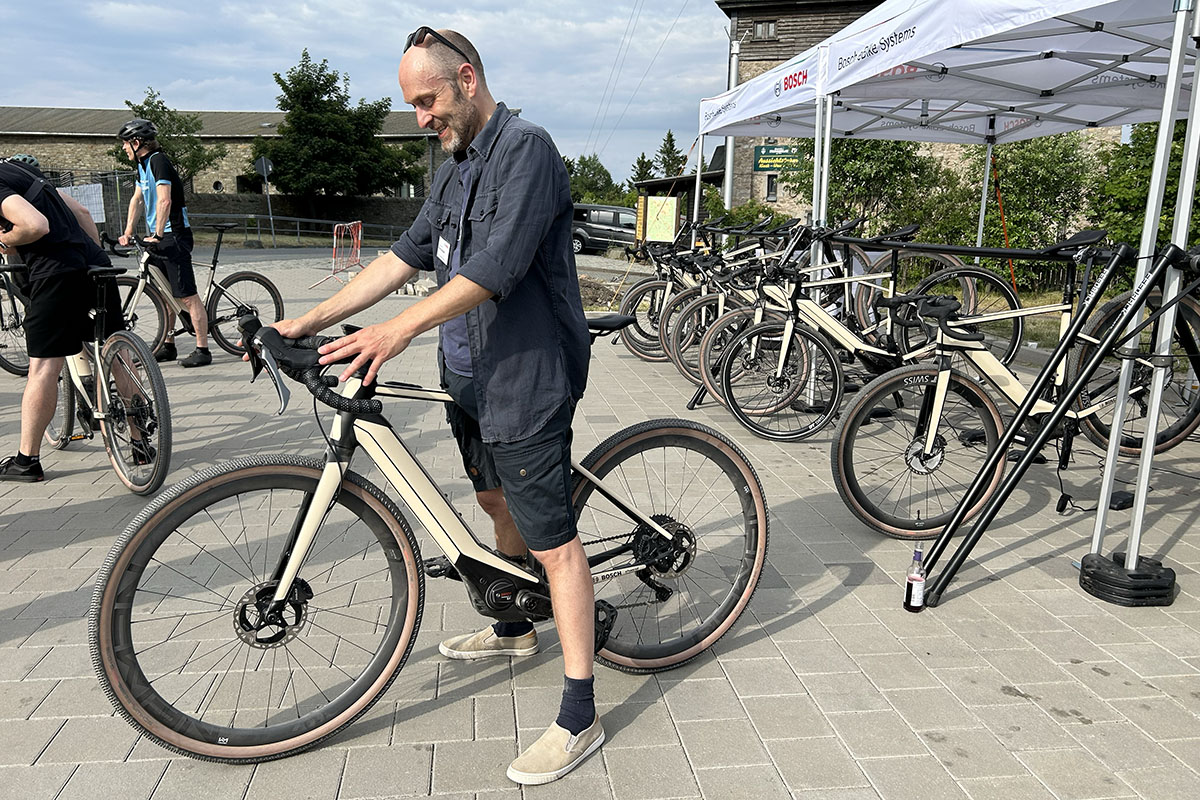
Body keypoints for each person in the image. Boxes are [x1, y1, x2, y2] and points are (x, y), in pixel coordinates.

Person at [271, 28, 599, 785]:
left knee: (555, 545)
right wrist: (307, 321)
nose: (420, 117)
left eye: (427, 101)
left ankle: (580, 712)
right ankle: (516, 626)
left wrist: (394, 332)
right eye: (412, 104)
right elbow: (402, 256)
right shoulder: (454, 168)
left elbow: (496, 267)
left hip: (525, 377)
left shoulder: (528, 151)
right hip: (468, 375)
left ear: (468, 78)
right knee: (491, 500)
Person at [0, 156, 129, 481]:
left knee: (44, 367)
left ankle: (27, 460)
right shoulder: (21, 170)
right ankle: (142, 443)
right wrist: (93, 260)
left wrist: (6, 240)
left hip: (55, 271)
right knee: (117, 353)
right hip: (95, 263)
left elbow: (35, 225)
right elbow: (82, 213)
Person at [117, 119, 211, 367]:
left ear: (137, 143)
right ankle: (168, 346)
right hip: (159, 235)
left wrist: (158, 233)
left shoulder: (158, 161)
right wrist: (127, 231)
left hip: (174, 235)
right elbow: (137, 200)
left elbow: (165, 201)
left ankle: (203, 349)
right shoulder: (142, 165)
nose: (124, 149)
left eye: (126, 144)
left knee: (187, 296)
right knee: (164, 293)